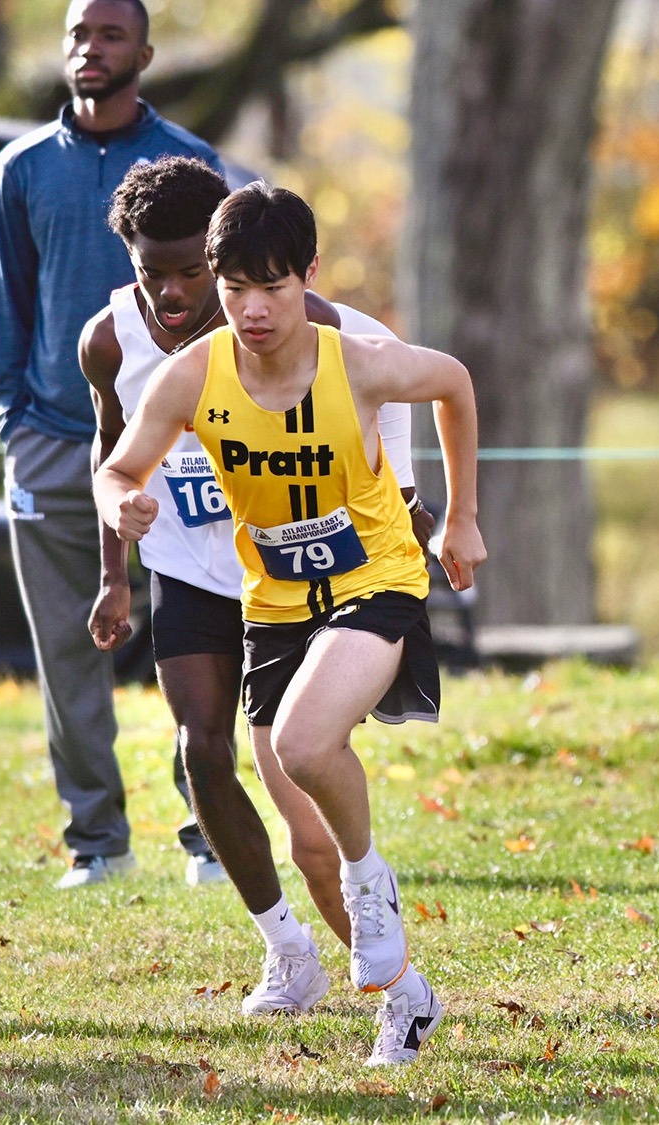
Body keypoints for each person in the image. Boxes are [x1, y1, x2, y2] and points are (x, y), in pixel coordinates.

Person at [94, 183, 485, 1065]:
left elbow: (454, 382)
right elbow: (119, 464)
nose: (252, 308)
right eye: (234, 289)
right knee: (306, 838)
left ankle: (369, 877)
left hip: (374, 582)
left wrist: (459, 518)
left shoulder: (363, 361)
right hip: (274, 607)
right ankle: (407, 999)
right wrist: (122, 503)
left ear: (308, 276)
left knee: (311, 747)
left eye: (271, 287)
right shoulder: (193, 376)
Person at [0, 0, 226, 888]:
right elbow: (5, 302)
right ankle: (97, 841)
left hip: (188, 440)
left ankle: (208, 829)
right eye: (79, 34)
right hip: (53, 436)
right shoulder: (19, 168)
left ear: (146, 52)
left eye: (110, 34)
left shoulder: (192, 163)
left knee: (200, 632)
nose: (91, 49)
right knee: (70, 645)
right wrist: (13, 417)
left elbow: (229, 301)